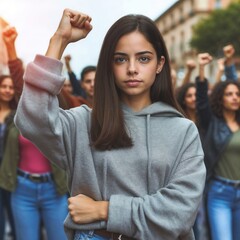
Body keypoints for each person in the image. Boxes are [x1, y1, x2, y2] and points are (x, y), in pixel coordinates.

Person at [15, 9, 206, 240]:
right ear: (109, 65)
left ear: (159, 64)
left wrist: (103, 210)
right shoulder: (84, 122)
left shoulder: (184, 131)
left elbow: (179, 213)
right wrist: (59, 40)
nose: (132, 68)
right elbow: (31, 118)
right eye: (121, 59)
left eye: (143, 58)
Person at [0, 26, 69, 240]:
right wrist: (11, 47)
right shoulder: (24, 108)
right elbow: (20, 81)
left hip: (54, 189)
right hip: (22, 189)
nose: (39, 86)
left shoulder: (66, 109)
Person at [196, 52, 240, 240]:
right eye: (229, 94)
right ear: (220, 98)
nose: (235, 97)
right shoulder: (212, 123)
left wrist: (229, 63)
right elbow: (202, 102)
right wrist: (202, 68)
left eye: (238, 94)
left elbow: (235, 82)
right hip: (219, 193)